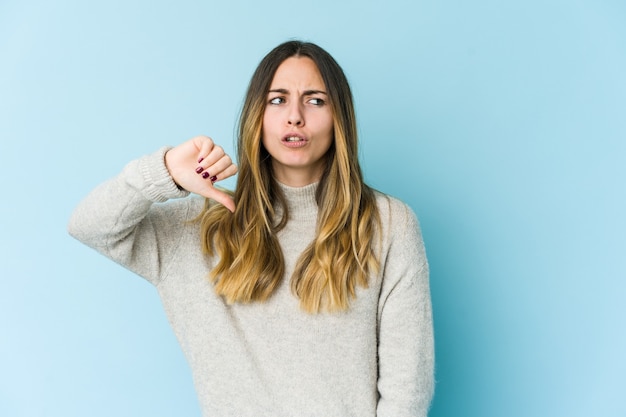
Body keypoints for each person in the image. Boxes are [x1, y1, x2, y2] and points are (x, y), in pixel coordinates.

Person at [68, 40, 434, 416]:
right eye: (277, 100)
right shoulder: (198, 229)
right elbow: (90, 226)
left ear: (340, 117)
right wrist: (163, 173)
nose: (294, 116)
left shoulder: (388, 224)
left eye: (315, 100)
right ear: (255, 117)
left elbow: (407, 388)